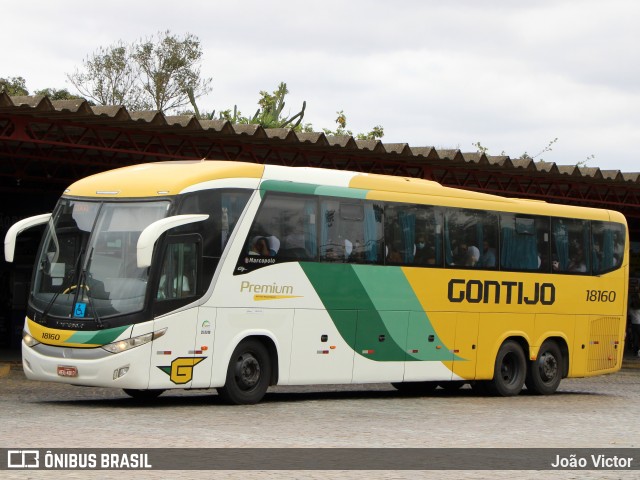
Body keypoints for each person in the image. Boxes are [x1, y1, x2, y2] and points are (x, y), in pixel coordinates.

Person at [629, 293, 640, 357]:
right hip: (639, 324)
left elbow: (629, 315)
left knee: (635, 339)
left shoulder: (631, 308)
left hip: (633, 325)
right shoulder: (639, 308)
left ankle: (635, 352)